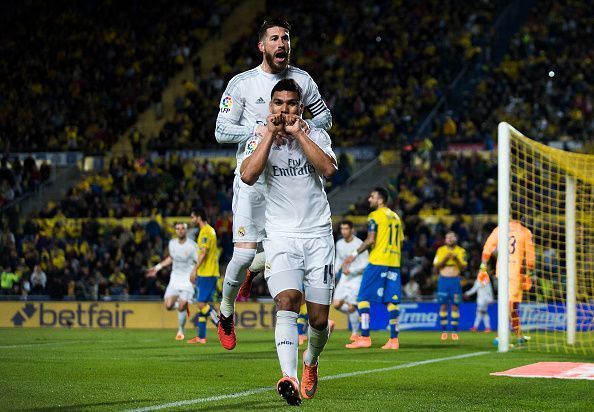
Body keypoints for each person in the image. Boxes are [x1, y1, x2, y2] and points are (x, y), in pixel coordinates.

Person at [214, 18, 332, 351]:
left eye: (286, 39)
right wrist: (260, 130)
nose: (281, 44)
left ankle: (255, 273)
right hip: (253, 178)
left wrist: (299, 123)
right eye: (274, 39)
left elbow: (326, 119)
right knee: (242, 254)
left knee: (288, 241)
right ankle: (225, 312)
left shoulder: (303, 82)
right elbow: (221, 131)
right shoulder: (242, 84)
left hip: (287, 178)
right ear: (262, 46)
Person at [240, 78, 337, 405]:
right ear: (271, 107)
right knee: (288, 300)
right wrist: (269, 134)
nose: (285, 109)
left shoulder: (315, 133)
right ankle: (289, 377)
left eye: (291, 104)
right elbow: (248, 175)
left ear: (300, 107)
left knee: (319, 320)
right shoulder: (258, 134)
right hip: (281, 236)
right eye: (279, 103)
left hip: (318, 235)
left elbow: (329, 168)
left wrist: (299, 134)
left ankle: (311, 359)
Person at [344, 187, 404, 350]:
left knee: (363, 298)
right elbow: (400, 241)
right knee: (391, 302)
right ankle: (394, 340)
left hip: (378, 261)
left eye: (372, 197)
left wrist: (354, 254)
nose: (369, 199)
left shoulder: (375, 216)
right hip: (394, 262)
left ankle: (364, 337)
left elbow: (371, 239)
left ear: (380, 200)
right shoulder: (396, 217)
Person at [481, 218, 535, 344]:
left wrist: (483, 267)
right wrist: (530, 273)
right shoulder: (525, 231)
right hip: (516, 272)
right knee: (511, 304)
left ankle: (517, 335)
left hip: (502, 272)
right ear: (522, 217)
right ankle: (502, 336)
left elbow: (488, 248)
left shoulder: (500, 229)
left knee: (510, 304)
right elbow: (530, 256)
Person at [147, 222, 197, 341]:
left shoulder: (192, 246)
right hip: (175, 278)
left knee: (181, 307)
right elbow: (171, 258)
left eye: (183, 228)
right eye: (178, 228)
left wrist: (194, 274)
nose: (180, 230)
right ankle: (183, 306)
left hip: (187, 280)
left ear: (186, 230)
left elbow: (198, 261)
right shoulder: (172, 244)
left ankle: (181, 330)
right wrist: (157, 268)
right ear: (175, 231)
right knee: (168, 306)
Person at [187, 209, 220, 344]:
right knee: (203, 305)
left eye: (193, 217)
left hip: (207, 273)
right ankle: (201, 336)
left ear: (199, 217)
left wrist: (194, 269)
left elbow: (203, 253)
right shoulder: (208, 230)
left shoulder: (206, 231)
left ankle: (221, 325)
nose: (192, 220)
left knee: (201, 304)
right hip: (207, 272)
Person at [332, 220, 368, 343]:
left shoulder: (359, 244)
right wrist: (335, 270)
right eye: (342, 229)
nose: (344, 231)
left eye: (346, 229)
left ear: (352, 230)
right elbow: (339, 259)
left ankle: (355, 333)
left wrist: (351, 270)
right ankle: (356, 317)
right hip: (344, 278)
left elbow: (365, 264)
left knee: (351, 305)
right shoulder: (339, 243)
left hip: (356, 278)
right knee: (336, 304)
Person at [432, 231, 468, 341]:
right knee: (442, 305)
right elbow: (437, 265)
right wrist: (446, 258)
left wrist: (456, 259)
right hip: (443, 281)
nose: (450, 239)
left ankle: (454, 331)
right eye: (448, 237)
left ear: (456, 239)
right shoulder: (440, 250)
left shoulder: (461, 251)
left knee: (455, 306)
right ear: (445, 240)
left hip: (455, 281)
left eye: (452, 237)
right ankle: (443, 331)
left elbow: (464, 267)